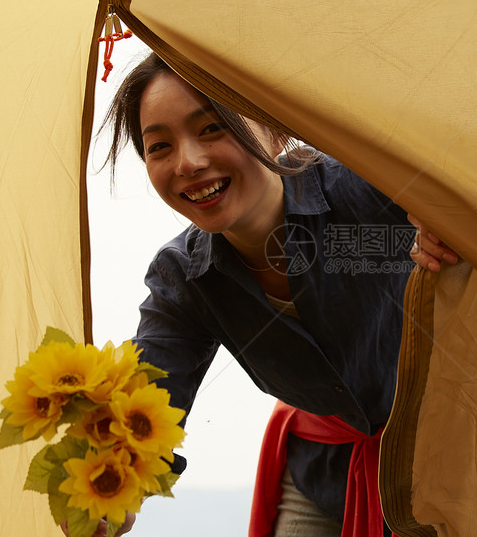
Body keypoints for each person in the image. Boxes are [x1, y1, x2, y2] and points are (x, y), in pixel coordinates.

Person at [67, 52, 457, 537]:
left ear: (273, 129)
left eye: (212, 128)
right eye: (159, 146)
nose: (188, 162)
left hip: (458, 462)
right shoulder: (182, 280)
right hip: (322, 476)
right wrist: (113, 492)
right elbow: (149, 403)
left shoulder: (371, 185)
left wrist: (451, 219)